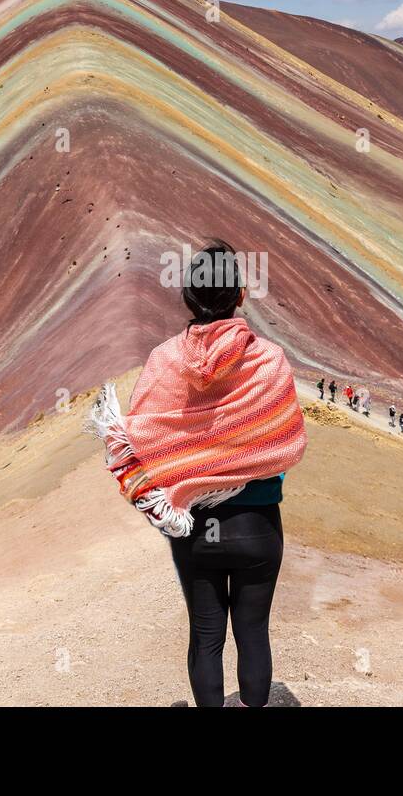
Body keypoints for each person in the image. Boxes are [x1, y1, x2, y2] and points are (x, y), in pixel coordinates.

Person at [89, 241, 307, 708]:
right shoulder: (268, 360)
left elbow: (144, 437)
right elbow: (286, 437)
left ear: (189, 297)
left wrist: (189, 462)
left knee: (206, 634)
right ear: (241, 295)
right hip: (258, 527)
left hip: (194, 529)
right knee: (253, 631)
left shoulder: (164, 360)